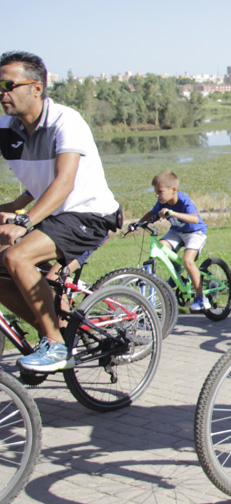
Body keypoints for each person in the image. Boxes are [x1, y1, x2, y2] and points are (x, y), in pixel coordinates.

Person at [0, 51, 121, 373]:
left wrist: (23, 220)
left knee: (17, 257)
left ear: (36, 88)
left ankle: (56, 345)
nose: (2, 92)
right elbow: (38, 184)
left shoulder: (65, 121)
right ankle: (51, 331)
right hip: (50, 216)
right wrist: (11, 209)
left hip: (89, 214)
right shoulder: (6, 128)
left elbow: (64, 183)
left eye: (8, 84)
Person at [130, 171, 209, 312]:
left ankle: (200, 297)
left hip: (194, 232)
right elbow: (152, 212)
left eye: (160, 192)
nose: (157, 195)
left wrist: (172, 213)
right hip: (177, 232)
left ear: (173, 190)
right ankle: (177, 271)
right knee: (160, 247)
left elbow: (195, 219)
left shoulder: (183, 200)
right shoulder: (162, 202)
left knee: (188, 261)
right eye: (155, 192)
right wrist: (138, 223)